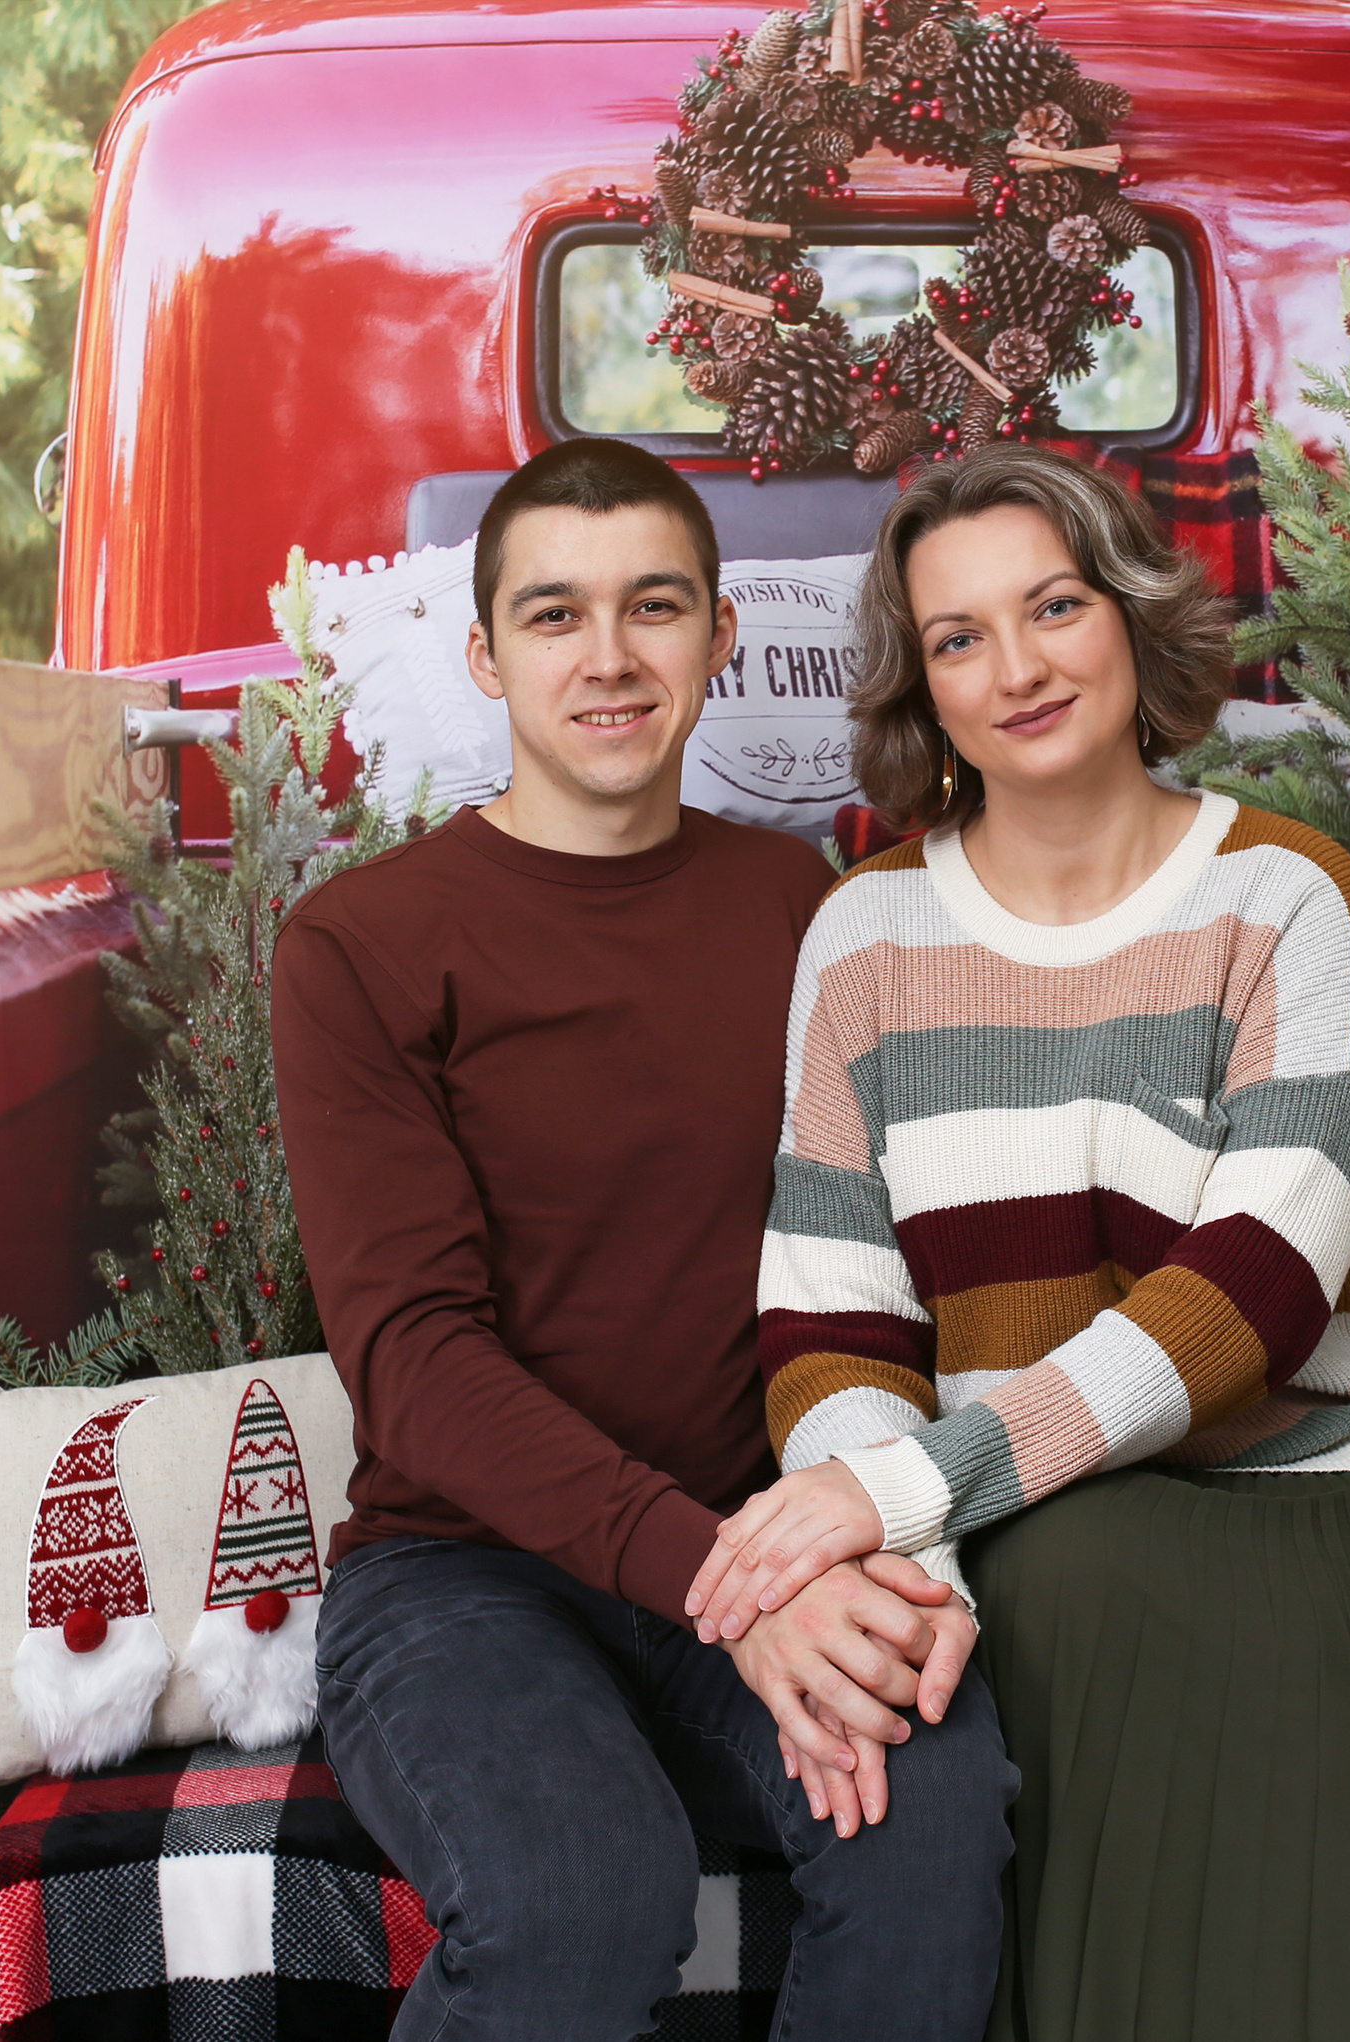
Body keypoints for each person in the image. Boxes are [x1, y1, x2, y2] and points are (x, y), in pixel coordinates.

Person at [688, 443, 1350, 2042]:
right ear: (921, 689)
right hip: (1026, 1498)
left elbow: (1255, 1295)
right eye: (958, 638)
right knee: (1060, 1593)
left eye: (1054, 606)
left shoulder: (1290, 898)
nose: (1015, 667)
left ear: (1130, 617)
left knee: (1265, 1629)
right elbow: (834, 1319)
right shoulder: (862, 936)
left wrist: (893, 1495)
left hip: (1346, 1468)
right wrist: (900, 1550)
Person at [272, 437, 1017, 2042]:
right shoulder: (363, 944)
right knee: (585, 1891)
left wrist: (849, 1540)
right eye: (553, 616)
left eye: (653, 607)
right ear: (485, 655)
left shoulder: (800, 904)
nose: (608, 658)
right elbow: (412, 1368)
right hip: (466, 1574)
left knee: (934, 1803)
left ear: (720, 638)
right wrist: (723, 1586)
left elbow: (885, 1257)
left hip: (755, 1535)